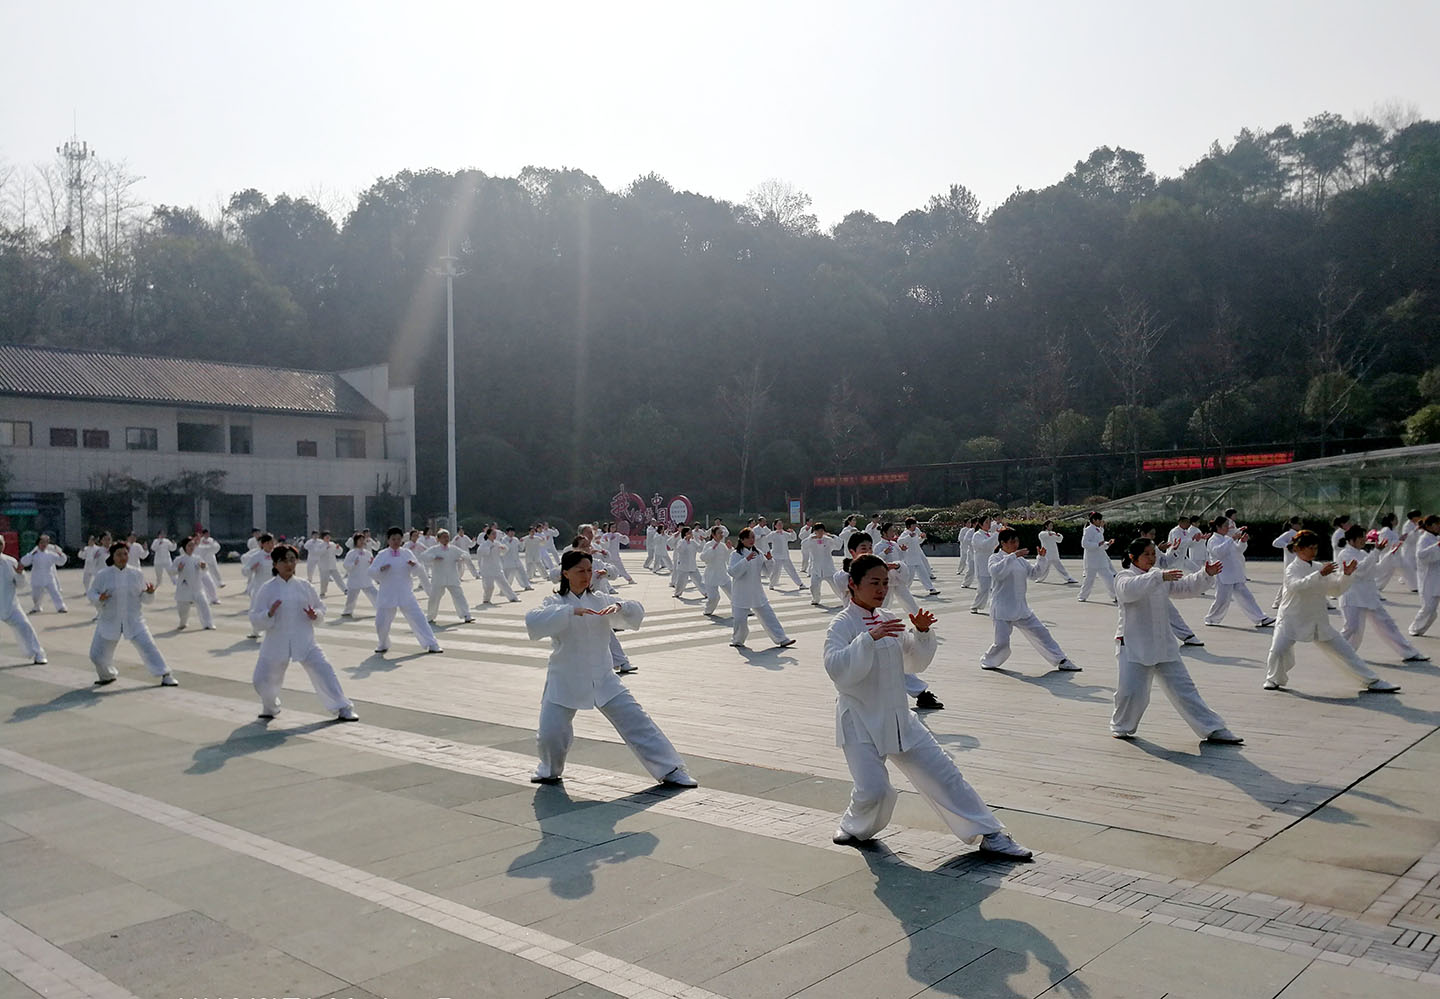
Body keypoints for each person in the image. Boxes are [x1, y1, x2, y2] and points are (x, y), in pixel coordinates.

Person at [823, 554, 1030, 858]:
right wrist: (866, 640)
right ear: (853, 585)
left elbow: (913, 662)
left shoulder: (887, 618)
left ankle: (990, 833)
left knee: (946, 775)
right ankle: (854, 826)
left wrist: (920, 634)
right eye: (874, 583)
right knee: (873, 790)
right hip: (860, 720)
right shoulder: (841, 624)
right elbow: (836, 668)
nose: (881, 589)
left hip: (899, 718)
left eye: (885, 583)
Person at [524, 550, 696, 786]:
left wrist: (620, 606)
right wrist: (570, 611)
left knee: (637, 721)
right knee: (551, 733)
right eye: (580, 571)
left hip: (603, 677)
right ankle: (549, 770)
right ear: (565, 573)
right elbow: (533, 621)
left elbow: (636, 611)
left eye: (589, 570)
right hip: (565, 677)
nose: (586, 576)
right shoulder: (555, 602)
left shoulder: (601, 599)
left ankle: (671, 769)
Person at [1110, 538, 1241, 742]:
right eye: (1147, 554)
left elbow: (1184, 587)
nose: (1152, 558)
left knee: (1185, 690)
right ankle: (1121, 726)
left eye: (1154, 554)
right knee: (1131, 693)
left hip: (1164, 645)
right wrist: (1159, 577)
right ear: (1132, 557)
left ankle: (1213, 728)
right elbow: (1129, 591)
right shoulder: (1124, 577)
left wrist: (1205, 574)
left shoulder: (1158, 577)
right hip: (1135, 646)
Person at [1264, 530, 1399, 693]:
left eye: (1315, 548)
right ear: (1299, 549)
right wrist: (1319, 574)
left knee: (1346, 651)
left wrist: (1346, 576)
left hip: (1317, 620)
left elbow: (1335, 590)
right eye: (1310, 548)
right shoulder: (1293, 568)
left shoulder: (1321, 567)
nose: (1314, 551)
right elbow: (1296, 586)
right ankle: (1273, 679)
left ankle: (1372, 681)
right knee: (1278, 650)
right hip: (1290, 618)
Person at [249, 544, 358, 721]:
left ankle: (343, 707)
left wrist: (315, 615)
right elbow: (254, 617)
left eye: (292, 559)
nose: (289, 564)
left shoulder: (304, 586)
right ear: (275, 564)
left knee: (325, 671)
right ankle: (270, 706)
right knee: (260, 680)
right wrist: (268, 614)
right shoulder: (267, 589)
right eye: (284, 560)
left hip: (305, 641)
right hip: (276, 643)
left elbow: (320, 608)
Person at [837, 533, 944, 710]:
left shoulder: (881, 571)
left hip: (881, 623)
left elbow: (904, 576)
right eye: (863, 549)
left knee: (894, 659)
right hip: (856, 630)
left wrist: (895, 566)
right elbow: (842, 579)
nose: (869, 552)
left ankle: (920, 693)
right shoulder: (845, 576)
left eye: (870, 548)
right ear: (852, 551)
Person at [979, 529, 1080, 673]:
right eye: (1012, 541)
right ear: (1002, 543)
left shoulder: (1020, 560)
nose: (1016, 544)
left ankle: (1061, 660)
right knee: (1001, 643)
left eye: (1017, 541)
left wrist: (1041, 558)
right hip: (1002, 609)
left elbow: (1034, 574)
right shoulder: (995, 558)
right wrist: (1013, 556)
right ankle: (988, 661)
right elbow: (996, 573)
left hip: (1021, 609)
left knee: (1042, 632)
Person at [87, 542, 176, 686]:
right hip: (109, 620)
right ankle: (107, 675)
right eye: (119, 554)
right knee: (96, 655)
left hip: (134, 620)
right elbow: (92, 592)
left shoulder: (136, 574)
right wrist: (99, 598)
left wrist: (150, 593)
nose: (122, 557)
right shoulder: (103, 575)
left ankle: (165, 674)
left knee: (149, 647)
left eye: (125, 554)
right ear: (113, 556)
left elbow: (145, 599)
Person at [1337, 525, 1428, 662]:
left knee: (1387, 624)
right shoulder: (1344, 554)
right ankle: (1340, 652)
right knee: (1352, 628)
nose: (1364, 540)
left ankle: (1409, 652)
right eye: (1361, 537)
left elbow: (1376, 570)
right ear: (1351, 540)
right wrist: (1376, 552)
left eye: (1364, 537)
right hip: (1353, 596)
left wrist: (1388, 555)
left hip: (1369, 596)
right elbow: (1359, 571)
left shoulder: (1363, 554)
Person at [369, 527, 443, 654]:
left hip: (405, 592)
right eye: (393, 539)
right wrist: (380, 570)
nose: (396, 542)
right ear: (388, 540)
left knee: (418, 618)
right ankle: (383, 643)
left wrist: (415, 566)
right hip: (388, 593)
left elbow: (417, 571)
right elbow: (371, 571)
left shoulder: (407, 553)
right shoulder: (382, 555)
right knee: (381, 622)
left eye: (399, 539)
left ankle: (432, 643)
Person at [728, 528, 796, 649]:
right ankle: (737, 640)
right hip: (741, 592)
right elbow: (733, 572)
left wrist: (770, 560)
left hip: (756, 591)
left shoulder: (758, 553)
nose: (751, 540)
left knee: (769, 616)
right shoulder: (736, 554)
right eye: (749, 537)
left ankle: (782, 639)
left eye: (753, 537)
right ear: (742, 539)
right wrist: (746, 560)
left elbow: (766, 572)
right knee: (740, 621)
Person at [1204, 518, 1275, 628]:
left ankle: (1260, 618)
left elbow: (1238, 550)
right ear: (1218, 527)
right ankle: (1211, 618)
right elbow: (1219, 552)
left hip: (1235, 573)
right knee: (1222, 600)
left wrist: (1242, 542)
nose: (1228, 528)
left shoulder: (1227, 538)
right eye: (1225, 526)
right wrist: (1232, 539)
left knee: (1247, 597)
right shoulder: (1213, 540)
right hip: (1223, 574)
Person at [0, 547, 45, 664]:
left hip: (10, 604)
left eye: (0, 544)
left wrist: (20, 574)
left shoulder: (10, 562)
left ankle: (38, 654)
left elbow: (21, 585)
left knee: (25, 626)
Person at [419, 529, 474, 624]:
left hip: (452, 577)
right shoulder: (434, 549)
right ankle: (430, 616)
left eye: (447, 537)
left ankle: (466, 615)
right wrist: (433, 557)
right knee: (434, 597)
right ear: (438, 539)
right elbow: (423, 556)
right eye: (444, 537)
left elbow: (465, 554)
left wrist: (462, 558)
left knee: (459, 595)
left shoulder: (453, 549)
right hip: (439, 578)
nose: (446, 539)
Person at [171, 536, 215, 630]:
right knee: (183, 610)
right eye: (189, 545)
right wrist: (178, 569)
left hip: (197, 588)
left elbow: (205, 569)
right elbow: (172, 571)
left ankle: (208, 624)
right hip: (184, 588)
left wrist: (203, 567)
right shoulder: (179, 559)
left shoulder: (197, 558)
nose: (191, 547)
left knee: (204, 605)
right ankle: (183, 622)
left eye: (193, 545)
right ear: (184, 547)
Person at [1409, 514, 1440, 636]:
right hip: (1428, 579)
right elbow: (1421, 555)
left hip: (1437, 577)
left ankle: (1417, 629)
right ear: (1429, 526)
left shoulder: (1435, 538)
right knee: (1429, 609)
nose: (1439, 526)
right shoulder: (1424, 539)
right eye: (1437, 524)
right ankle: (1415, 628)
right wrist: (1436, 547)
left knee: (1430, 610)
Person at [1076, 513, 1117, 603]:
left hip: (1101, 559)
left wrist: (1107, 544)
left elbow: (1101, 544)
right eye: (1099, 520)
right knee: (1089, 579)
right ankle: (1082, 596)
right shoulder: (1088, 530)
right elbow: (1084, 544)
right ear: (1094, 520)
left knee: (1109, 577)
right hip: (1092, 560)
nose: (1101, 522)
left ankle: (1116, 595)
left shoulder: (1098, 530)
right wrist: (1098, 545)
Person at [20, 536, 67, 613]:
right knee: (36, 596)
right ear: (38, 543)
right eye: (42, 542)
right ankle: (37, 607)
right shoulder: (34, 553)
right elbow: (24, 561)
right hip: (37, 578)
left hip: (49, 577)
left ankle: (61, 607)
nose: (44, 544)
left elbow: (61, 562)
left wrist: (61, 554)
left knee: (55, 593)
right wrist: (31, 555)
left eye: (45, 542)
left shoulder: (51, 554)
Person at [474, 527, 520, 604]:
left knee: (504, 584)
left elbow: (504, 550)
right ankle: (486, 599)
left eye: (495, 534)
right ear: (488, 535)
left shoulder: (497, 543)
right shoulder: (484, 544)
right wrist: (490, 548)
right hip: (487, 569)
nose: (494, 535)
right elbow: (480, 553)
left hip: (497, 567)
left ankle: (513, 597)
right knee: (489, 586)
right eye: (493, 534)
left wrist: (503, 548)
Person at [341, 532, 379, 617]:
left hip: (366, 578)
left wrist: (372, 563)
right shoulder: (352, 553)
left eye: (363, 540)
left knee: (374, 594)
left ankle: (380, 609)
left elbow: (372, 563)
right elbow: (345, 565)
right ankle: (348, 611)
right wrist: (353, 564)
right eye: (360, 540)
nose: (362, 542)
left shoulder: (367, 553)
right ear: (356, 541)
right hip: (355, 578)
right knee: (351, 597)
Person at [1270, 516, 1303, 609]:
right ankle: (1277, 602)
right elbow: (1275, 543)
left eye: (1301, 523)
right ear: (1292, 524)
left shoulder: (1301, 534)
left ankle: (1277, 602)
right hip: (1291, 563)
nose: (1301, 525)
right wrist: (1287, 545)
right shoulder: (1288, 534)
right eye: (1299, 523)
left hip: (1300, 562)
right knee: (1287, 583)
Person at [900, 518, 940, 595]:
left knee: (923, 573)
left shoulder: (914, 533)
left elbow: (917, 542)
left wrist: (922, 538)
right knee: (910, 576)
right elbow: (900, 541)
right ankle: (905, 589)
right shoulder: (906, 533)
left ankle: (931, 588)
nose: (915, 526)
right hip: (910, 559)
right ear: (910, 525)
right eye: (914, 524)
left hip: (917, 557)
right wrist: (908, 537)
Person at [802, 523, 839, 606]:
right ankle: (816, 599)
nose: (820, 533)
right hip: (816, 568)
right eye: (818, 531)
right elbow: (804, 545)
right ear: (815, 531)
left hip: (828, 568)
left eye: (822, 531)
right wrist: (810, 538)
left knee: (837, 586)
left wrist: (833, 536)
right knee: (814, 586)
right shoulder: (811, 540)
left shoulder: (828, 540)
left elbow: (838, 546)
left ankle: (845, 599)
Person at [700, 526, 732, 616]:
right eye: (719, 533)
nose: (721, 535)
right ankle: (708, 611)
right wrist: (712, 549)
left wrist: (730, 549)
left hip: (722, 574)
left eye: (722, 533)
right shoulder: (708, 545)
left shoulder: (723, 546)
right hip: (711, 575)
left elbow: (728, 558)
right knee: (714, 597)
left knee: (734, 593)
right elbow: (703, 558)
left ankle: (744, 611)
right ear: (713, 535)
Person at [969, 516, 998, 612]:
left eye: (989, 522)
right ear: (980, 524)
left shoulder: (989, 534)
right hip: (982, 563)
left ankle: (995, 606)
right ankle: (975, 605)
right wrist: (995, 535)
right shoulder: (977, 535)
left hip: (991, 562)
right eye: (986, 522)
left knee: (995, 587)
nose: (989, 524)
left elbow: (995, 545)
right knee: (983, 587)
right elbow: (983, 545)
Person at [767, 519, 804, 590]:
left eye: (781, 524)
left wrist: (792, 532)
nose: (780, 525)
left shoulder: (785, 534)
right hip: (776, 556)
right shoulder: (773, 534)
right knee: (776, 572)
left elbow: (793, 538)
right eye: (778, 524)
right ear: (775, 526)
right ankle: (771, 584)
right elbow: (766, 540)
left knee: (791, 570)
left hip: (785, 556)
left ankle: (800, 584)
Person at [311, 532, 347, 598]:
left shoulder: (332, 544)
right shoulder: (320, 545)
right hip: (324, 566)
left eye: (329, 537)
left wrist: (338, 548)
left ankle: (345, 589)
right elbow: (317, 553)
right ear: (323, 538)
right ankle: (323, 592)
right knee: (324, 580)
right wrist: (325, 548)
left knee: (338, 578)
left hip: (332, 565)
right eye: (326, 537)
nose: (328, 538)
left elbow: (338, 553)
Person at [1398, 509, 1423, 593]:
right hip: (1408, 549)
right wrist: (1416, 529)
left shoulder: (1416, 524)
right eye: (1418, 516)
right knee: (1410, 568)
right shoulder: (1407, 525)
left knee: (1415, 568)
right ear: (1413, 517)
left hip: (1414, 548)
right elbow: (1407, 537)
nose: (1419, 518)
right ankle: (1414, 586)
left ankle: (1414, 583)